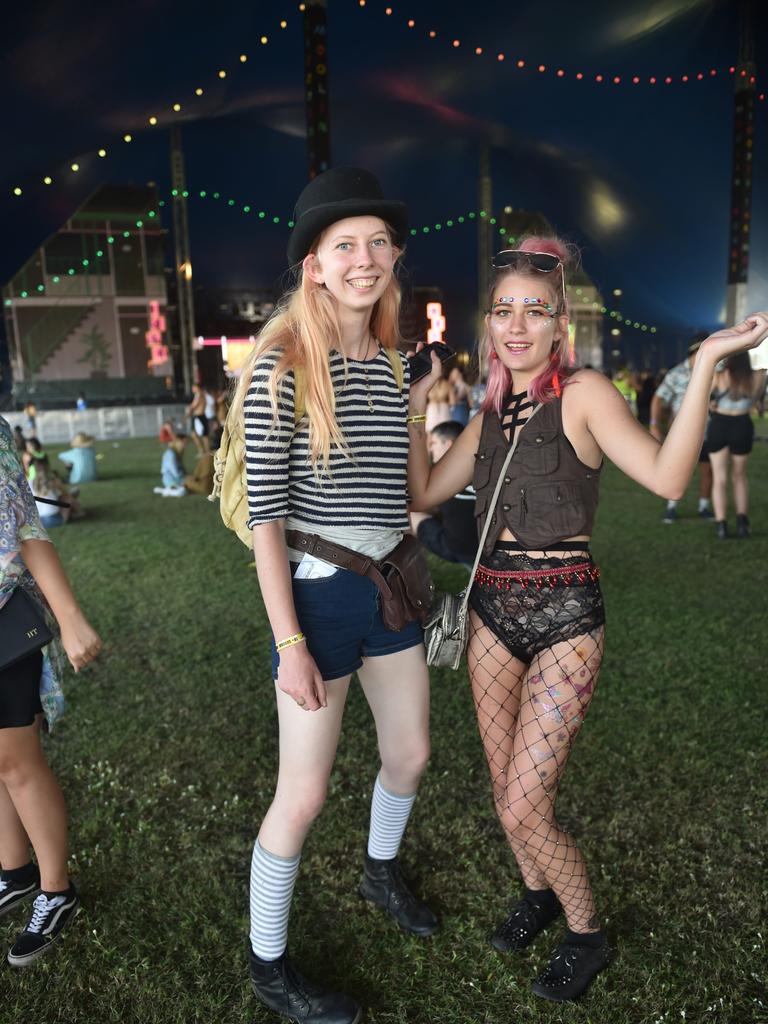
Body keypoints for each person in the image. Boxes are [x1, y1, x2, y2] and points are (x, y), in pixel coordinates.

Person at [406, 237, 767, 1003]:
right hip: (490, 611)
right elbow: (426, 495)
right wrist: (415, 406)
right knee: (504, 784)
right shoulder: (494, 406)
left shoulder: (588, 393)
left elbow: (670, 475)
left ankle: (584, 932)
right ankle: (536, 894)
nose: (516, 324)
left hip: (566, 611)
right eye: (502, 309)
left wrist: (703, 365)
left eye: (534, 311)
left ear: (559, 321)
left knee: (524, 802)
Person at [232, 167, 437, 1024]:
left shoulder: (393, 369)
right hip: (317, 605)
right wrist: (288, 645)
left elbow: (415, 497)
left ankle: (378, 869)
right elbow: (267, 526)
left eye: (378, 243)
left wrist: (423, 406)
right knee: (304, 794)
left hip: (392, 592)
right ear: (314, 264)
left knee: (411, 755)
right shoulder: (280, 369)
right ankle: (267, 965)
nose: (366, 258)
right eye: (345, 245)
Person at [0, 415, 101, 966]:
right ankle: (13, 872)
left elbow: (26, 528)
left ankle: (55, 889)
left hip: (3, 620)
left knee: (16, 762)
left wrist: (69, 615)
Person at [650, 334, 714, 523]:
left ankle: (704, 507)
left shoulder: (715, 370)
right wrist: (654, 424)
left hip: (709, 431)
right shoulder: (676, 373)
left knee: (707, 470)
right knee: (677, 471)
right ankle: (671, 508)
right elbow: (658, 398)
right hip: (681, 435)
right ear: (697, 351)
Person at [706, 352, 766, 539]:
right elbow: (758, 404)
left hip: (719, 425)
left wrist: (712, 405)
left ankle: (721, 524)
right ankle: (742, 523)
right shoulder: (758, 377)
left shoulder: (720, 375)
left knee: (719, 478)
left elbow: (706, 400)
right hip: (742, 425)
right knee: (740, 476)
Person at [410, 421, 476, 567]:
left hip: (460, 551)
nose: (430, 449)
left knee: (411, 514)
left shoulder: (444, 477)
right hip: (485, 549)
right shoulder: (478, 468)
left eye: (434, 443)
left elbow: (416, 502)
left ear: (449, 445)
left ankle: (413, 570)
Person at [185, 384, 209, 455]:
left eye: (193, 387)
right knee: (198, 434)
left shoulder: (199, 394)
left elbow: (194, 405)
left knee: (204, 435)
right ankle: (203, 450)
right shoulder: (200, 394)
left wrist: (187, 413)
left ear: (197, 387)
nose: (192, 389)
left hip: (200, 416)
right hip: (199, 416)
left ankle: (205, 451)